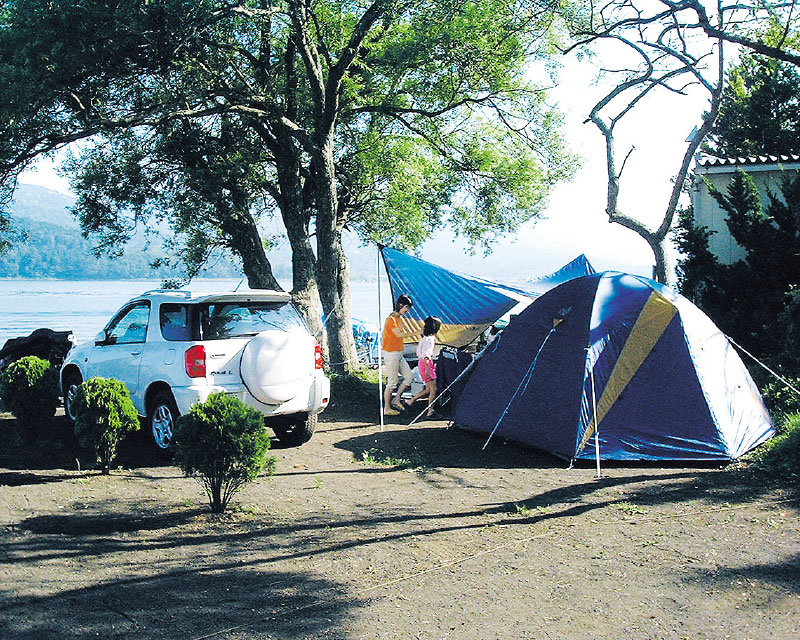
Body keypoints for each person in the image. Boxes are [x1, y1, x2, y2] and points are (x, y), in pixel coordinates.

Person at [382, 294, 417, 416]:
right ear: (401, 306)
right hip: (391, 353)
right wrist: (418, 332)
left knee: (409, 376)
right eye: (407, 308)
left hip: (398, 353)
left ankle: (396, 400)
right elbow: (399, 334)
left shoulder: (398, 319)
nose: (408, 311)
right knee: (392, 382)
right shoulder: (390, 320)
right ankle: (386, 408)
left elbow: (403, 331)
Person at [408, 315, 442, 418]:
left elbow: (420, 353)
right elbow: (427, 355)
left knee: (428, 389)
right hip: (426, 363)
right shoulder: (431, 339)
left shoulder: (423, 338)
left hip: (421, 363)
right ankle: (430, 411)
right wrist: (428, 369)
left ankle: (410, 401)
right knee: (433, 389)